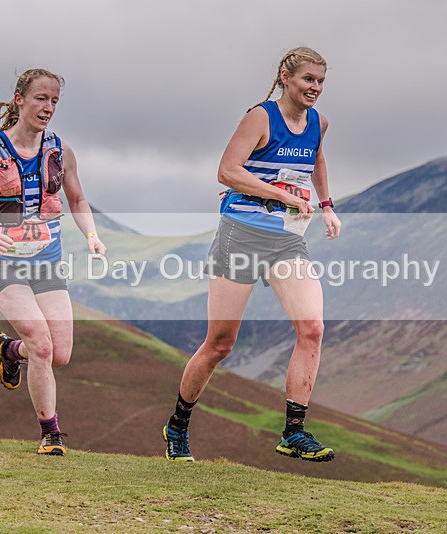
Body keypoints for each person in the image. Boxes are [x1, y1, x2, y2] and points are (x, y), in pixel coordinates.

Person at [163, 47, 341, 462]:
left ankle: (294, 432)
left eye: (320, 81)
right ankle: (178, 426)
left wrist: (326, 204)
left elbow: (315, 156)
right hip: (240, 235)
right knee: (220, 344)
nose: (314, 88)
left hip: (286, 239)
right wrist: (281, 194)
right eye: (307, 79)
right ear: (285, 76)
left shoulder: (319, 122)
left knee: (312, 328)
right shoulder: (260, 117)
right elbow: (227, 171)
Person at [0, 68, 106, 456]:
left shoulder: (61, 150)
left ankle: (9, 351)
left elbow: (78, 201)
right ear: (20, 99)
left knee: (59, 354)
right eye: (41, 98)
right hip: (2, 264)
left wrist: (91, 235)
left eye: (54, 101)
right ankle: (50, 433)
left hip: (47, 264)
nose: (48, 107)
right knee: (40, 343)